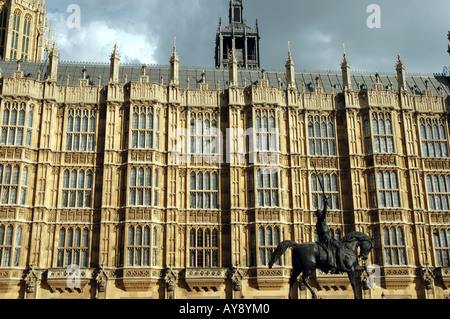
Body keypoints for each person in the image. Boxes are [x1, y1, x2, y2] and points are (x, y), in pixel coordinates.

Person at [315, 196, 344, 273]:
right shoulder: (320, 221)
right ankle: (337, 266)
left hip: (325, 239)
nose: (322, 214)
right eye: (321, 213)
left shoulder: (318, 222)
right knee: (339, 248)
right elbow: (324, 214)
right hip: (326, 239)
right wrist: (325, 204)